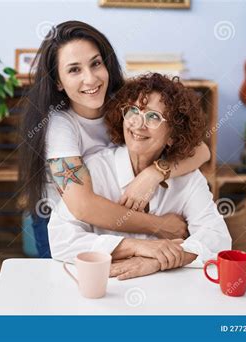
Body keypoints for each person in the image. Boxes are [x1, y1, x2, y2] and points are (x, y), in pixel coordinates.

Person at [19, 21, 210, 257]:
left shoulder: (125, 104)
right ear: (58, 81)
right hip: (65, 223)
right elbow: (82, 206)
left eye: (95, 64)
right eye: (74, 70)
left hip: (116, 214)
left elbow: (201, 151)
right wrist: (157, 225)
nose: (90, 79)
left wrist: (155, 173)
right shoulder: (59, 125)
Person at [48, 73, 231, 280]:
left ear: (173, 134)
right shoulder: (96, 169)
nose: (138, 123)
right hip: (106, 291)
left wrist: (154, 261)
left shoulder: (188, 178)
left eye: (153, 117)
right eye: (133, 111)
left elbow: (218, 239)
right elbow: (61, 240)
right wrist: (137, 247)